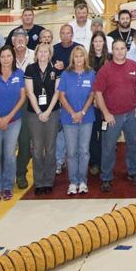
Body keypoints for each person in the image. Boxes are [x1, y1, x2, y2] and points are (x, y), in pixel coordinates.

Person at [94, 38, 136, 191]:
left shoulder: (134, 66)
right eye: (116, 49)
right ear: (112, 50)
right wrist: (106, 113)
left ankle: (133, 172)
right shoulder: (105, 70)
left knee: (134, 144)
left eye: (122, 48)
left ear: (126, 49)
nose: (120, 51)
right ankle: (106, 177)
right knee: (108, 147)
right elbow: (98, 93)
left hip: (132, 114)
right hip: (112, 116)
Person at [0, 45, 26, 203]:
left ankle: (8, 186)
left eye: (9, 56)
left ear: (13, 58)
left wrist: (8, 118)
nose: (6, 59)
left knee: (9, 156)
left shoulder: (19, 74)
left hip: (13, 122)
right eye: (3, 56)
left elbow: (22, 98)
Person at [58, 45, 97, 195]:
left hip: (87, 117)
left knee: (84, 151)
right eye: (76, 56)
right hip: (69, 118)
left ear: (85, 57)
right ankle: (73, 182)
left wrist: (82, 112)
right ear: (72, 58)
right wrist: (73, 113)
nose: (79, 59)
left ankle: (83, 181)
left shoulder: (91, 73)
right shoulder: (66, 74)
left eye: (81, 56)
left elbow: (92, 94)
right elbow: (61, 96)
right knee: (72, 151)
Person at [24, 41, 60, 194]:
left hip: (52, 112)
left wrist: (48, 111)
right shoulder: (30, 69)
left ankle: (49, 180)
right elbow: (30, 93)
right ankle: (39, 181)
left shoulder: (55, 69)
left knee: (50, 148)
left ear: (50, 54)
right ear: (36, 54)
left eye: (46, 51)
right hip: (34, 114)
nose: (43, 54)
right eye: (40, 51)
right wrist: (39, 112)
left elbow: (57, 92)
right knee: (37, 149)